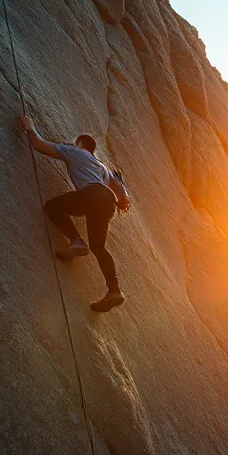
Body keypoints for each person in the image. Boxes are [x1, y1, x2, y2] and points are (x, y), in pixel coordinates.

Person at [19, 114, 132, 312]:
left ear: (80, 143)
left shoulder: (75, 151)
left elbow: (39, 144)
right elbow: (117, 186)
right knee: (99, 247)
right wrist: (122, 196)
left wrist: (30, 127)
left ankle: (76, 241)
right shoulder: (102, 167)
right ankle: (115, 291)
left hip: (93, 195)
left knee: (53, 206)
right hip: (107, 202)